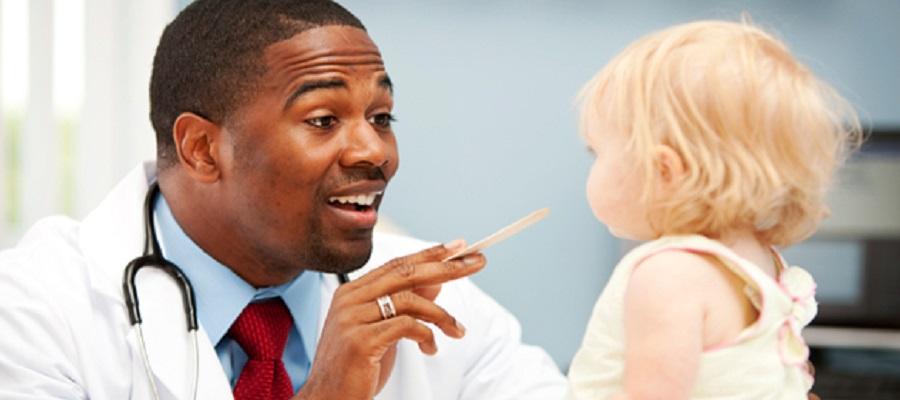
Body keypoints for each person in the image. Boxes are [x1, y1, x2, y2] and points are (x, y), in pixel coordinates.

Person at [0, 1, 565, 399]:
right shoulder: (35, 312)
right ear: (201, 148)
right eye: (323, 120)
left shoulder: (438, 305)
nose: (376, 151)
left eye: (382, 117)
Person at [566, 20, 860, 399]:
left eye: (596, 152)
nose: (592, 164)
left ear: (663, 171)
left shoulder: (667, 275)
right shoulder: (762, 262)